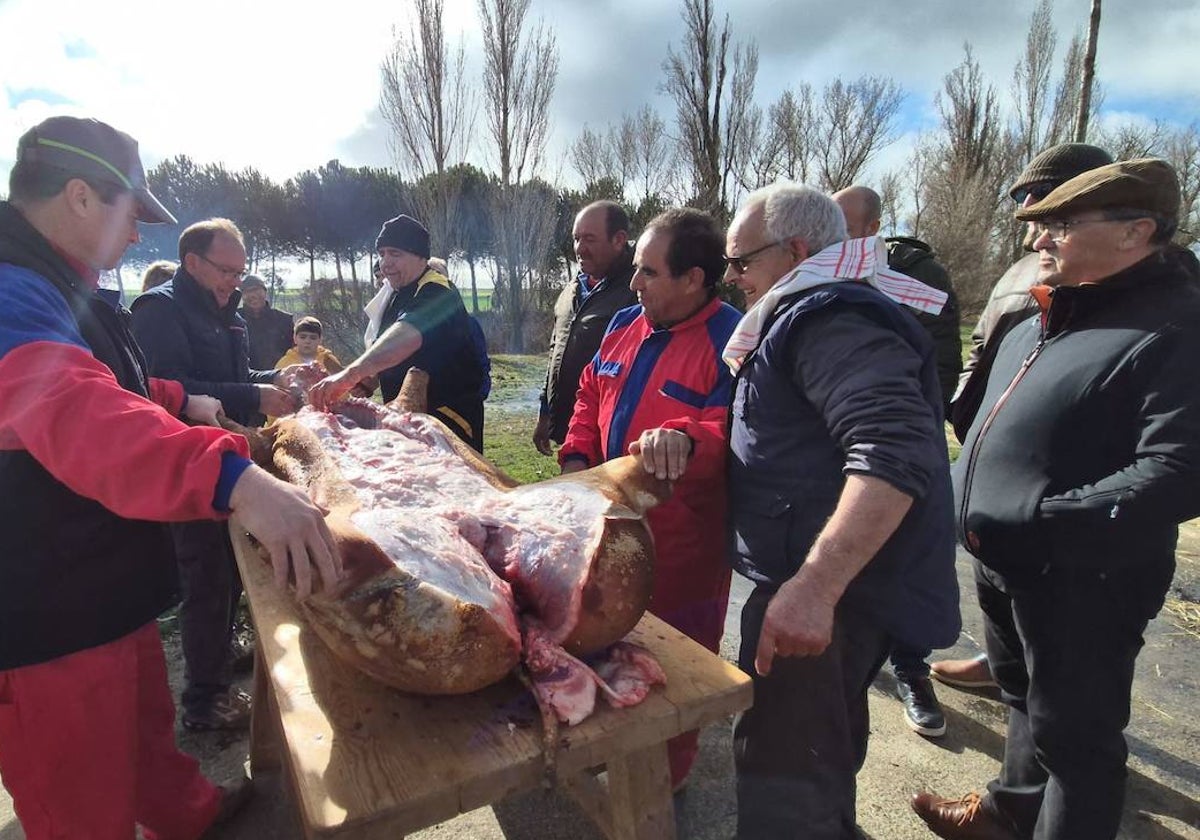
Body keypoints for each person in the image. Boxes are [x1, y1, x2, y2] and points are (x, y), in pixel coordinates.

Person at [0, 115, 340, 840]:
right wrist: (237, 482)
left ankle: (182, 814)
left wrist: (183, 400)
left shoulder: (62, 280)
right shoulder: (7, 289)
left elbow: (113, 383)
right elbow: (77, 411)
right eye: (131, 216)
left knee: (144, 724)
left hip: (105, 569)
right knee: (78, 799)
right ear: (82, 197)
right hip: (40, 603)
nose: (136, 237)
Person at [912, 159, 1200, 840]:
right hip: (1005, 562)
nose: (1040, 242)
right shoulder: (1055, 309)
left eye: (1062, 226)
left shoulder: (1177, 327)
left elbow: (1180, 469)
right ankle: (1010, 811)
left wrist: (1040, 524)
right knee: (1021, 700)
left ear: (1137, 232)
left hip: (1083, 577)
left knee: (1078, 748)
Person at [721, 182, 960, 838]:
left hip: (827, 599)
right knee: (817, 761)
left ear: (796, 250)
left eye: (742, 262)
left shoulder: (827, 315)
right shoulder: (808, 310)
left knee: (783, 787)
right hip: (828, 594)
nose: (733, 278)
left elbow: (894, 451)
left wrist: (813, 588)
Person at [559, 208, 741, 790]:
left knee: (676, 671)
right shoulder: (624, 324)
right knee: (607, 642)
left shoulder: (736, 341)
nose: (633, 284)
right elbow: (589, 394)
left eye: (648, 272)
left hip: (684, 548)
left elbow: (736, 430)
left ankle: (666, 776)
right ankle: (612, 746)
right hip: (605, 526)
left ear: (693, 279)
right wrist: (577, 460)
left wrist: (689, 439)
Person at [932, 142, 1114, 692]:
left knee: (1066, 673)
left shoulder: (1115, 278)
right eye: (1026, 199)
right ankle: (998, 665)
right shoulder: (1023, 268)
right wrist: (967, 404)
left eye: (1043, 199)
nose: (1030, 212)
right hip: (992, 449)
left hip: (1060, 489)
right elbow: (983, 342)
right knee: (1000, 599)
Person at [131, 218, 302, 731]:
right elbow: (171, 387)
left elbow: (235, 375)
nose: (235, 281)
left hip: (231, 453)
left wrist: (273, 378)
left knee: (232, 569)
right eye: (226, 270)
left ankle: (222, 656)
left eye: (240, 271)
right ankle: (203, 702)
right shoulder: (158, 310)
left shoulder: (229, 312)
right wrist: (252, 395)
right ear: (193, 263)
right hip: (188, 463)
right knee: (205, 574)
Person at [833, 185, 962, 738]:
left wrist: (898, 427)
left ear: (872, 227)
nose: (834, 238)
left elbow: (941, 364)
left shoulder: (917, 277)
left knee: (905, 557)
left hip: (898, 443)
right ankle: (851, 649)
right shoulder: (827, 271)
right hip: (839, 442)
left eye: (845, 226)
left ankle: (912, 668)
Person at [309, 214, 486, 451]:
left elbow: (406, 336)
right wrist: (368, 381)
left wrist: (350, 374)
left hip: (446, 419)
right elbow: (387, 353)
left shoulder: (437, 290)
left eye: (395, 253)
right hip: (406, 420)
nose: (385, 263)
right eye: (381, 254)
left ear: (420, 256)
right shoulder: (396, 296)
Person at [534, 200, 638, 455]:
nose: (579, 249)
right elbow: (556, 351)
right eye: (576, 238)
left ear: (619, 239)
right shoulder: (571, 290)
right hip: (571, 429)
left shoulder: (638, 291)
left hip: (611, 437)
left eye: (589, 239)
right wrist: (546, 412)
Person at [239, 272, 294, 370]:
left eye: (256, 290)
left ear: (265, 291)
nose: (252, 295)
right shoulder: (234, 319)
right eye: (246, 292)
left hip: (279, 377)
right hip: (245, 379)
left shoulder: (284, 320)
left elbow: (295, 352)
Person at [275, 315, 343, 374]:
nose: (307, 341)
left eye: (313, 338)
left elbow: (342, 383)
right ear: (295, 339)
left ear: (320, 340)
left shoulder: (329, 360)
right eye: (303, 337)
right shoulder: (285, 362)